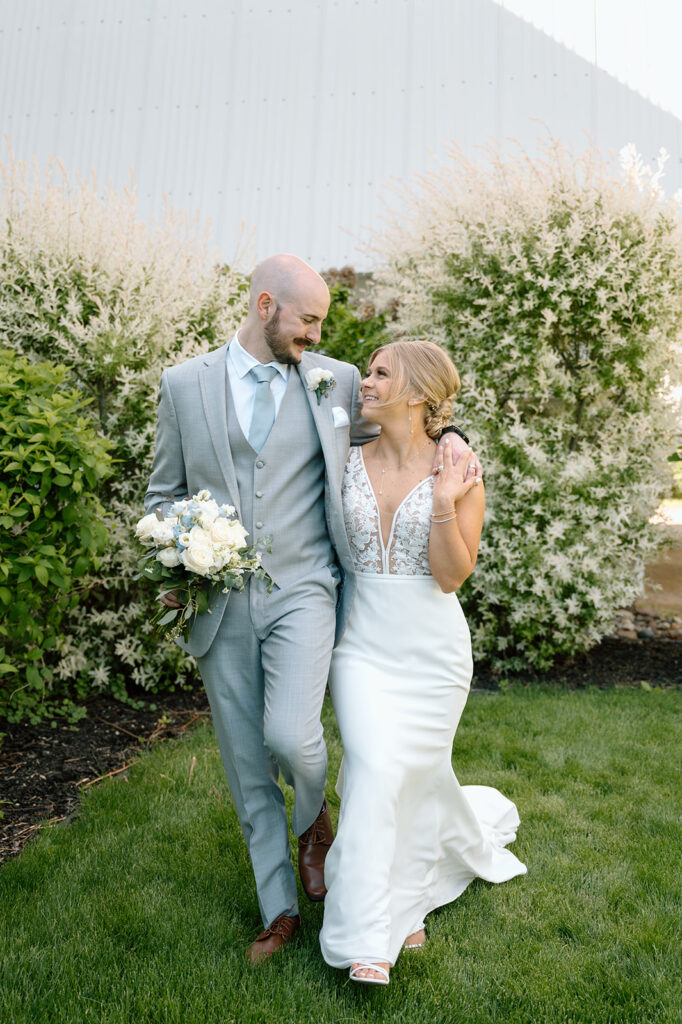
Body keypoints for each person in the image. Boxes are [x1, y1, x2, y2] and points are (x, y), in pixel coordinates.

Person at [144, 255, 474, 964]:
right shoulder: (183, 387)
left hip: (305, 591)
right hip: (219, 601)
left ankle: (314, 822)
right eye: (308, 319)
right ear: (266, 305)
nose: (317, 334)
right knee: (243, 759)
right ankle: (279, 909)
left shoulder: (335, 382)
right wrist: (176, 558)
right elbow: (161, 494)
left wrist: (452, 440)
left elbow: (402, 434)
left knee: (293, 739)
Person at [319, 340, 527, 986]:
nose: (366, 381)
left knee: (407, 776)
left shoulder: (458, 467)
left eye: (381, 373)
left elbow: (450, 576)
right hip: (360, 645)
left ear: (417, 394)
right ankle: (365, 940)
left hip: (432, 652)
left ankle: (406, 905)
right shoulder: (342, 451)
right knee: (377, 768)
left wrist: (442, 501)